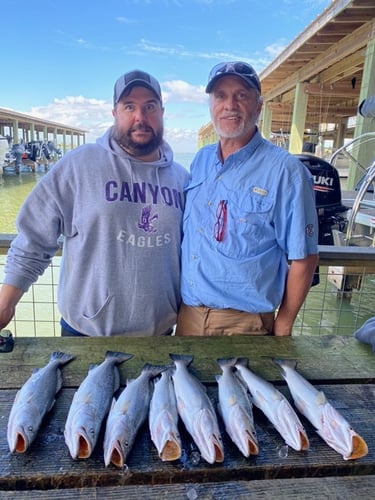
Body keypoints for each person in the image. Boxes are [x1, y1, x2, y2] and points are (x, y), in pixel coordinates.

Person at [0, 70, 189, 336]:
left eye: (150, 106)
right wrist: (6, 303)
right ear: (114, 113)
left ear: (162, 112)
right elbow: (34, 237)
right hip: (86, 332)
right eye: (129, 107)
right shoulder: (78, 165)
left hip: (159, 335)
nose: (140, 117)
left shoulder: (182, 179)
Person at [175, 61, 319, 337]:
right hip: (187, 315)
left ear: (258, 106)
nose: (230, 105)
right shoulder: (201, 160)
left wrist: (284, 324)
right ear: (211, 105)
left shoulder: (286, 172)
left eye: (241, 95)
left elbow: (305, 256)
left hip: (245, 324)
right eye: (220, 96)